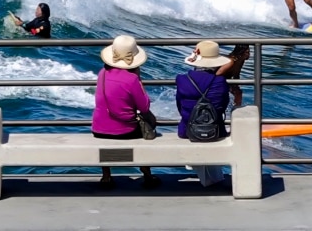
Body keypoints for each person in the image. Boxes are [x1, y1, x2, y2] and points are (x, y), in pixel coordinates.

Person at [91, 35, 161, 190]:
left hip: (99, 128)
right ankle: (147, 174)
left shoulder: (102, 73)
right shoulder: (131, 79)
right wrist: (139, 80)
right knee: (144, 130)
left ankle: (107, 176)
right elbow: (144, 106)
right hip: (125, 130)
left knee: (106, 133)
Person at [176, 40, 231, 187]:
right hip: (215, 131)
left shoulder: (182, 79)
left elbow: (180, 107)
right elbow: (223, 106)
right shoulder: (220, 82)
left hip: (187, 131)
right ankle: (213, 179)